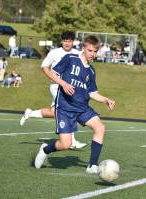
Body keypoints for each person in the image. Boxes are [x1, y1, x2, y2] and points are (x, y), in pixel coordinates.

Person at [34, 35, 115, 174]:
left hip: (82, 108)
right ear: (83, 48)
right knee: (66, 144)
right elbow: (49, 71)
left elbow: (92, 93)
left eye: (95, 51)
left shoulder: (91, 70)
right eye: (90, 50)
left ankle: (92, 165)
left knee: (100, 128)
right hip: (65, 108)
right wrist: (63, 83)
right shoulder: (70, 59)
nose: (92, 54)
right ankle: (45, 149)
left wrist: (106, 99)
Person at [20, 31, 87, 149]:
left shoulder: (77, 53)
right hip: (57, 87)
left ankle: (30, 113)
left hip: (71, 88)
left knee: (54, 112)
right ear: (61, 41)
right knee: (69, 110)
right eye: (65, 41)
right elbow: (44, 66)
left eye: (69, 41)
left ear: (73, 42)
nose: (67, 43)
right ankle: (72, 140)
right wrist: (54, 78)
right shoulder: (54, 52)